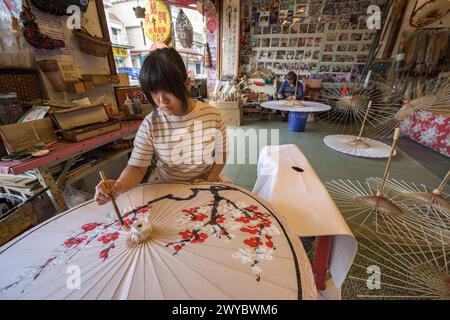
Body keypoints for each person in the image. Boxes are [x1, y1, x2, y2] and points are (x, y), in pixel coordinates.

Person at [95, 48, 227, 205]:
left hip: (204, 183)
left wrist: (209, 180)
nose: (162, 100)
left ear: (186, 84)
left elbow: (222, 152)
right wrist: (118, 185)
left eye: (169, 91)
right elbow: (137, 167)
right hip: (165, 188)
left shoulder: (212, 115)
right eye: (154, 93)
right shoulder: (151, 123)